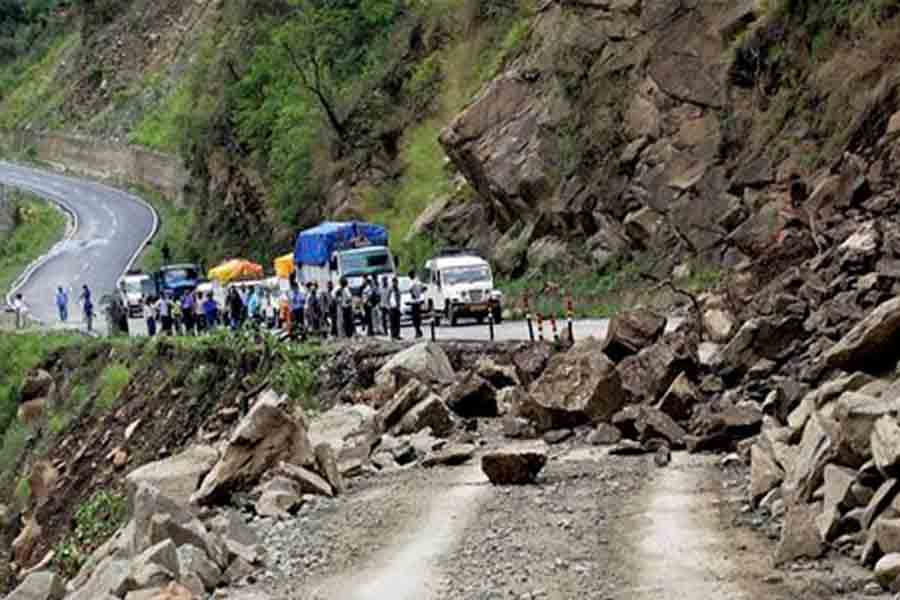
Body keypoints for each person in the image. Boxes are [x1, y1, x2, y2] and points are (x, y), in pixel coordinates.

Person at [408, 269, 424, 339]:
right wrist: (419, 293)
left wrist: (414, 294)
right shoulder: (418, 282)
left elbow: (410, 289)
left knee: (415, 319)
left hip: (414, 302)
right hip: (418, 301)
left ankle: (418, 332)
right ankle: (418, 331)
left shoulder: (412, 282)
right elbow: (424, 288)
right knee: (418, 318)